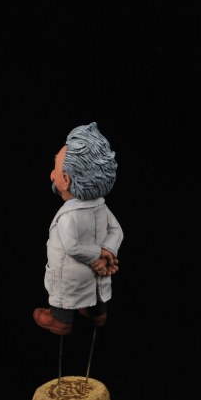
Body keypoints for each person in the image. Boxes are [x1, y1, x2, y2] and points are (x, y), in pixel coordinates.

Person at [33, 122, 124, 335]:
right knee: (96, 291)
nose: (52, 175)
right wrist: (107, 252)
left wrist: (99, 254)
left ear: (65, 180)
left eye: (56, 170)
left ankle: (61, 320)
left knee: (64, 293)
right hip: (98, 271)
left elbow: (72, 247)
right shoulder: (102, 207)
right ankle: (97, 314)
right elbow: (117, 231)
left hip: (70, 275)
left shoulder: (68, 216)